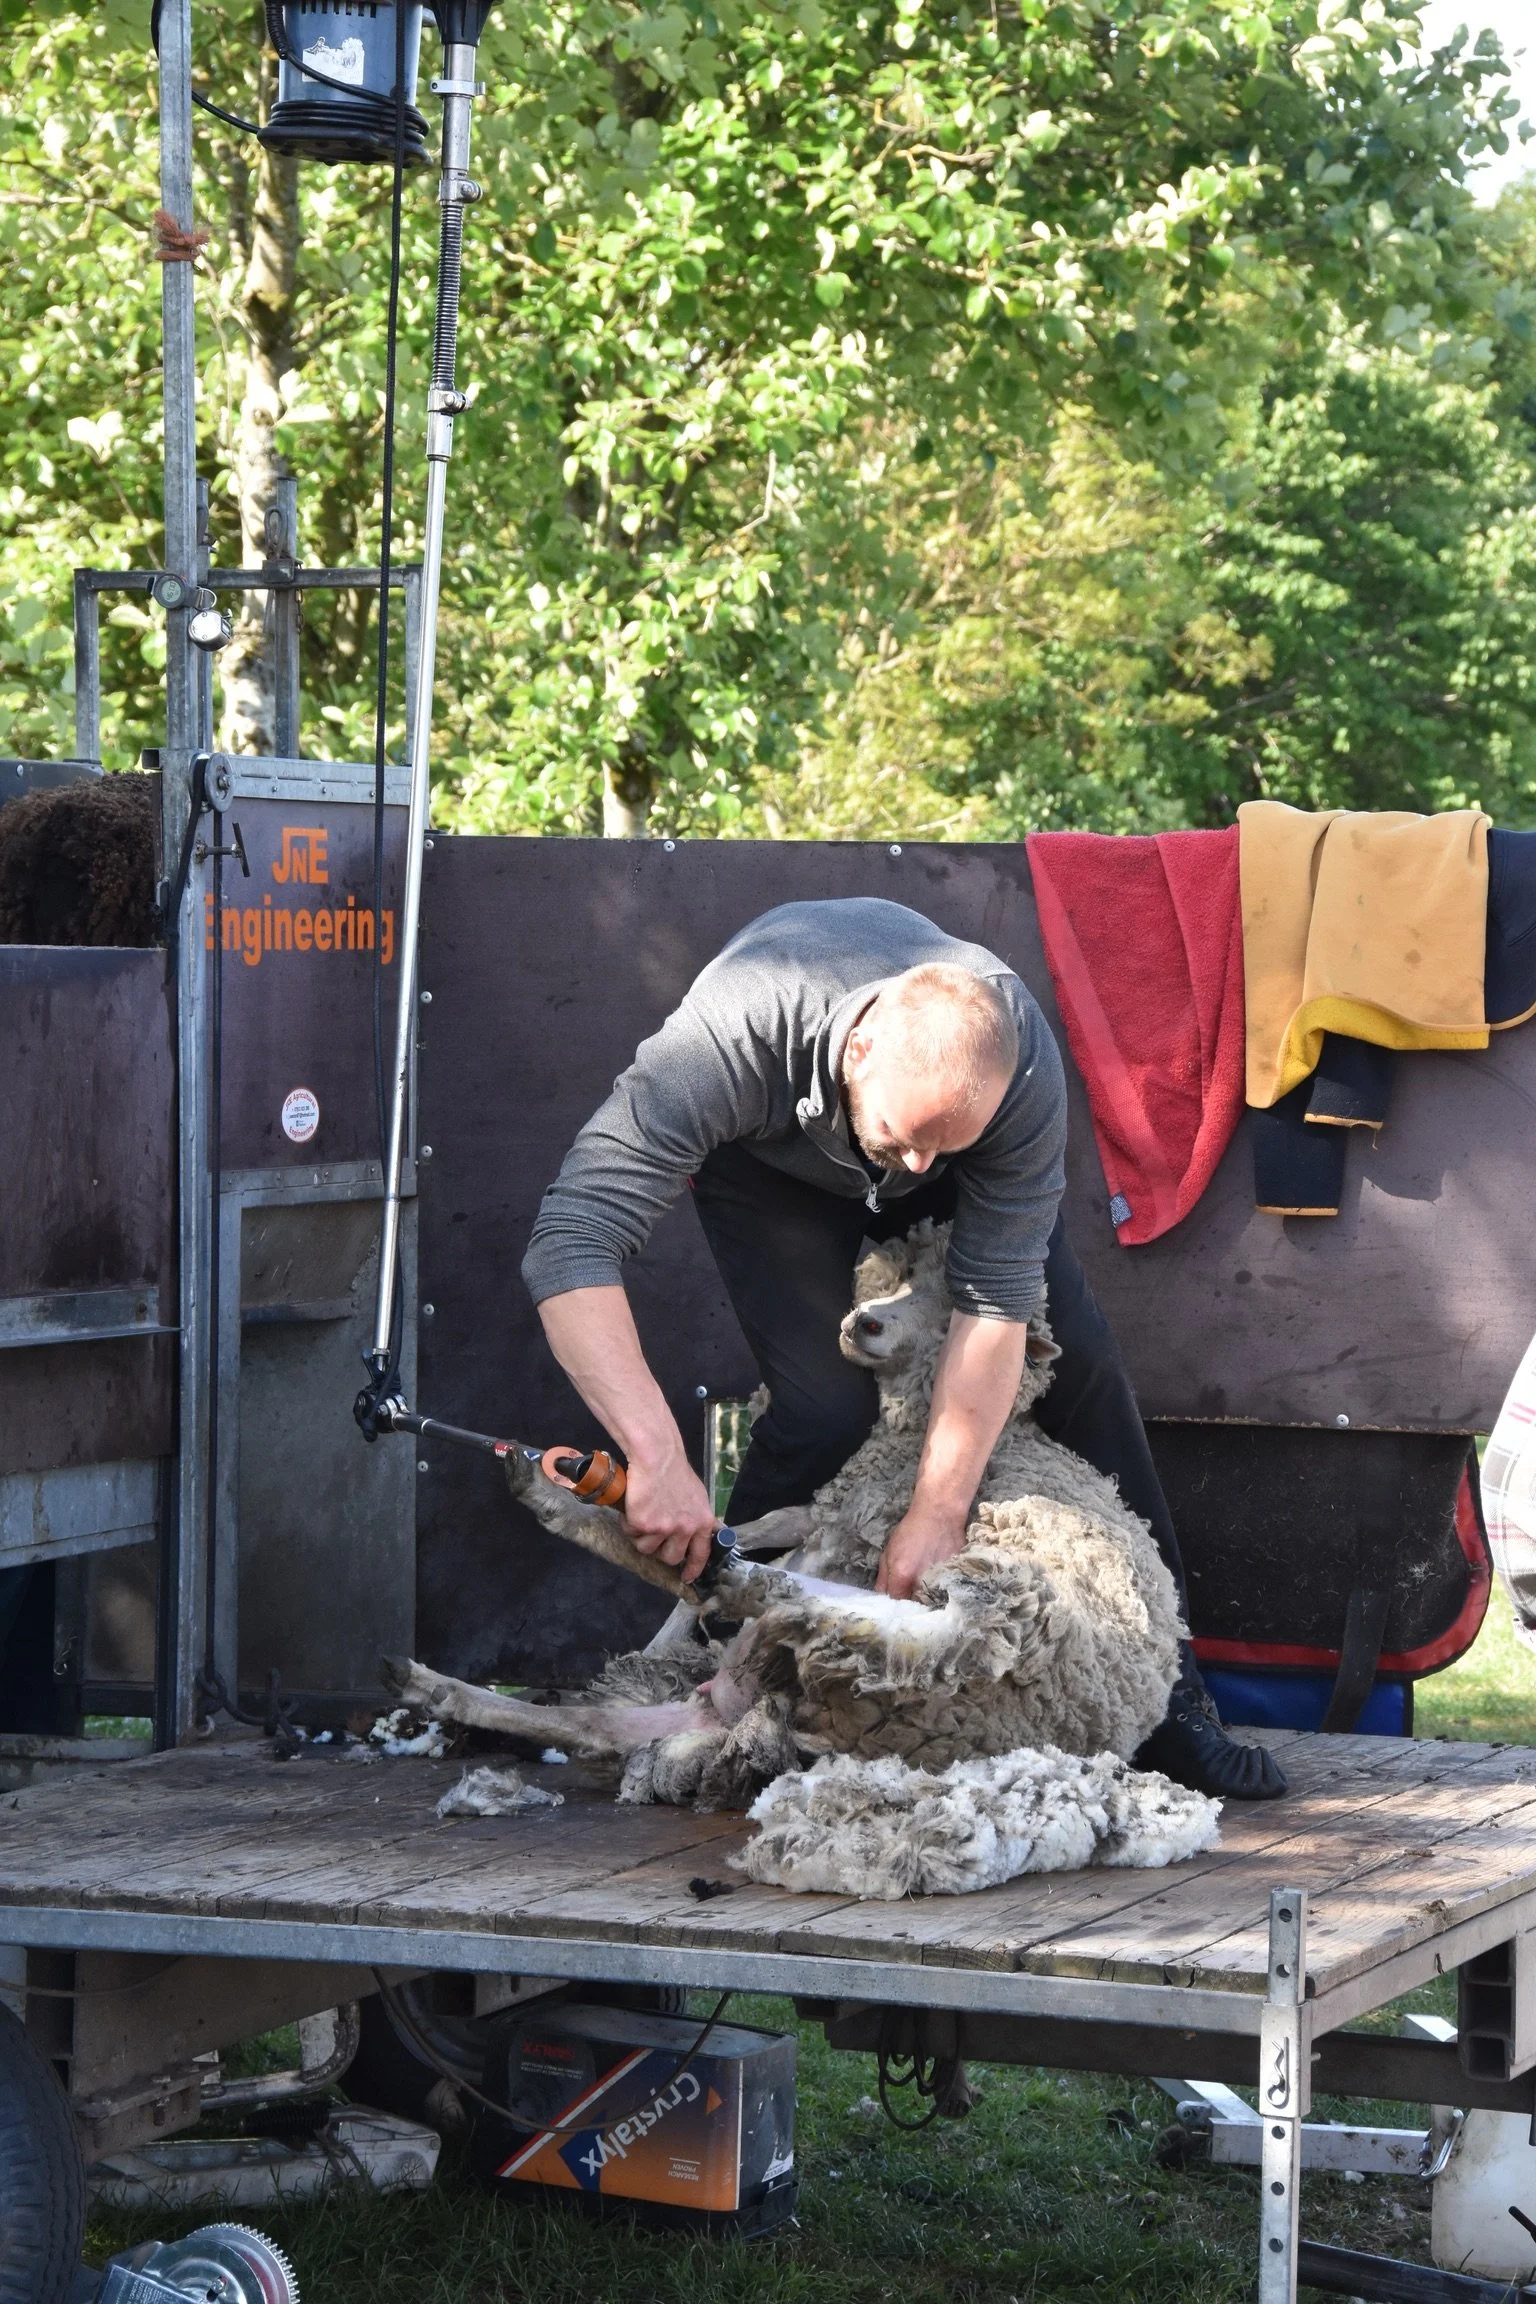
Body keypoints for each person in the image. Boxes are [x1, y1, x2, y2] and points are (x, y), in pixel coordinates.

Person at [521, 897, 1286, 1801]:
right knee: (823, 1410)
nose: (914, 1171)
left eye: (940, 1145)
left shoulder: (1016, 1070)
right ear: (859, 1049)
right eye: (907, 1141)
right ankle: (718, 1681)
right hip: (772, 1159)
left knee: (1080, 1368)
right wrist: (653, 1454)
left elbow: (994, 1305)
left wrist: (937, 1511)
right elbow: (571, 1241)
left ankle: (1171, 1703)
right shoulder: (730, 1035)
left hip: (962, 1152)